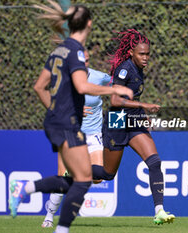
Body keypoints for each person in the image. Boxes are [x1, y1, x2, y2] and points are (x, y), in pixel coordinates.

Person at [8, 2, 133, 233]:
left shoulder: (59, 50)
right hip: (67, 124)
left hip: (58, 122)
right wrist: (115, 90)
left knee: (82, 177)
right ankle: (53, 220)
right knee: (84, 178)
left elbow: (39, 87)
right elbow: (82, 85)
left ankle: (26, 191)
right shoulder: (75, 49)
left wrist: (55, 109)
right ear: (89, 23)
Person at [92, 29, 175, 225]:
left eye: (148, 54)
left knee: (154, 162)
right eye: (142, 54)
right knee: (107, 174)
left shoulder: (139, 69)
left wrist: (142, 115)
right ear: (131, 52)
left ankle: (159, 211)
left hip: (134, 120)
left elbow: (133, 97)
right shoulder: (124, 69)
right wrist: (144, 106)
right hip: (117, 122)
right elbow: (115, 100)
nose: (146, 57)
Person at [41, 49, 111, 228]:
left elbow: (116, 86)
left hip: (94, 135)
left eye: (86, 60)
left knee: (99, 178)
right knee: (62, 176)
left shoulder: (99, 77)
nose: (83, 63)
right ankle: (49, 215)